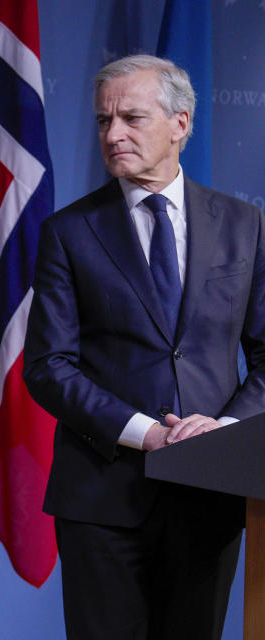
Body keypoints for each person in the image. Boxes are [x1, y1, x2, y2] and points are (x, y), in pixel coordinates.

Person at [24, 55, 265, 640]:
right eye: (104, 121)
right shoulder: (68, 231)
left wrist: (223, 431)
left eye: (131, 118)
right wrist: (148, 434)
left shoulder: (244, 224)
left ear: (180, 123)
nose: (113, 135)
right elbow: (48, 366)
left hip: (210, 494)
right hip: (102, 497)